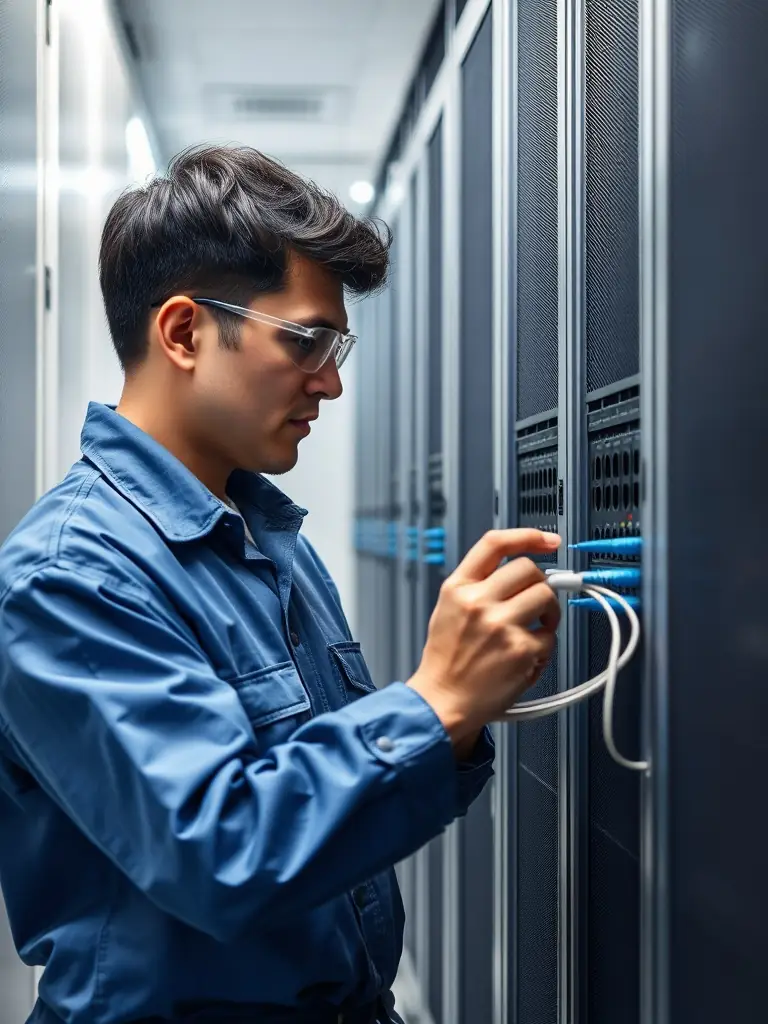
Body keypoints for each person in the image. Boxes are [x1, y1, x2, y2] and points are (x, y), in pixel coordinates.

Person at [0, 145, 561, 1024]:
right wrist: (436, 701)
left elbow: (328, 814)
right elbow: (222, 854)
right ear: (183, 332)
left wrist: (458, 707)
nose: (331, 381)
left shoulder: (267, 537)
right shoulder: (71, 576)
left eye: (335, 344)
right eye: (306, 340)